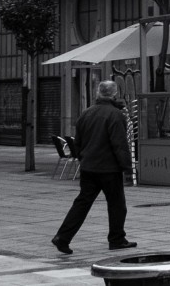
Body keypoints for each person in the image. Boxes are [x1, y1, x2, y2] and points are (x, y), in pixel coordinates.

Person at [52, 81, 136, 255]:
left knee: (82, 203)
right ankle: (116, 239)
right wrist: (127, 167)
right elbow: (119, 144)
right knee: (117, 205)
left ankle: (62, 237)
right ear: (114, 94)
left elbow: (78, 142)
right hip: (109, 168)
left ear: (98, 93)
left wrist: (83, 158)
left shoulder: (86, 113)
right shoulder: (115, 115)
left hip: (88, 168)